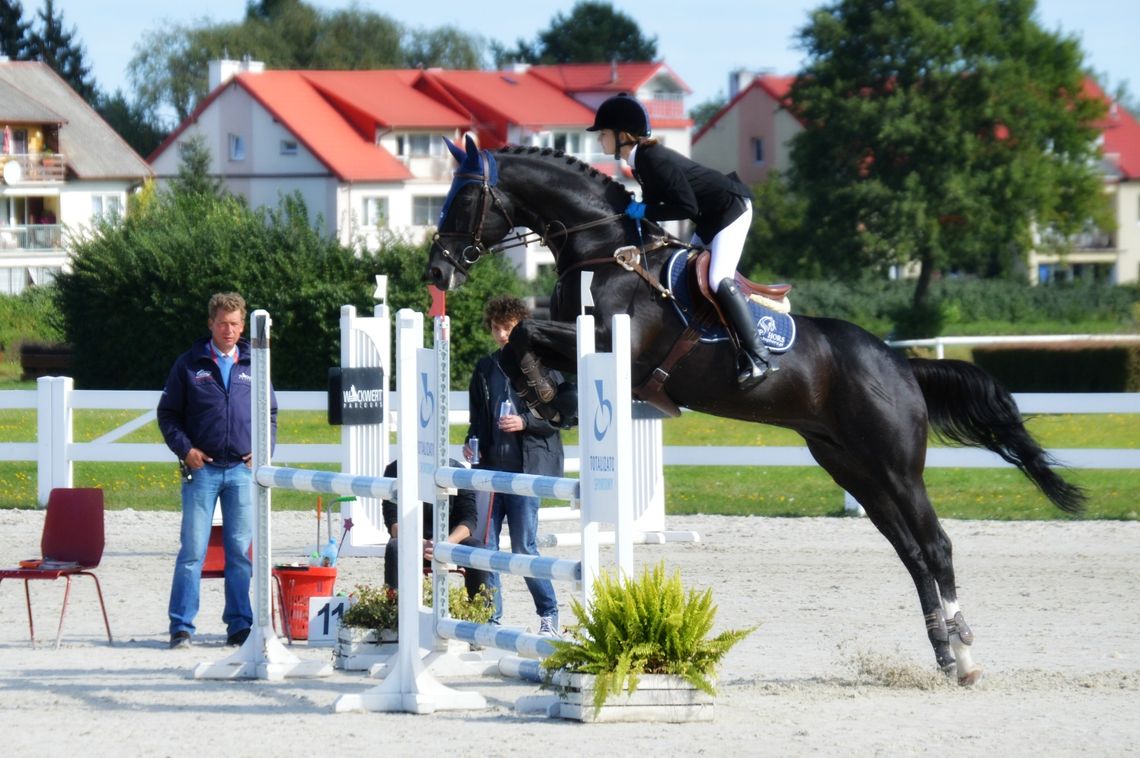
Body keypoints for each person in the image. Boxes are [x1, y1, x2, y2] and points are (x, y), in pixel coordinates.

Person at [587, 93, 779, 386]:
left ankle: (760, 356)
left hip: (731, 209)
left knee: (717, 279)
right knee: (687, 273)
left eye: (603, 134)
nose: (600, 140)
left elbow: (685, 207)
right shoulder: (642, 162)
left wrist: (645, 209)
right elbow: (661, 209)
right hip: (710, 217)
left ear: (623, 135)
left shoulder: (654, 160)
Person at [158, 292, 276, 650]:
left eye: (236, 323)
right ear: (211, 323)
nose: (229, 329)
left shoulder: (255, 364)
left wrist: (264, 450)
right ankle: (181, 626)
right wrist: (186, 450)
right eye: (223, 323)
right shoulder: (189, 364)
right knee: (192, 550)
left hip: (242, 469)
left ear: (243, 326)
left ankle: (239, 626)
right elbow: (168, 414)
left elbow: (270, 415)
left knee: (240, 552)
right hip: (203, 470)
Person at [463, 296, 568, 636]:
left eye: (507, 328)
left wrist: (525, 422)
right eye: (496, 328)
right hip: (492, 470)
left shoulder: (543, 365)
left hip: (526, 471)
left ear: (520, 327)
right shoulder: (485, 367)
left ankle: (548, 613)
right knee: (487, 547)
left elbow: (562, 417)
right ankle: (491, 617)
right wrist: (470, 440)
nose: (501, 335)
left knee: (524, 547)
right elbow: (478, 416)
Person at [381, 459, 490, 601]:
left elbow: (469, 521)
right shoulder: (395, 469)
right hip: (412, 540)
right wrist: (420, 543)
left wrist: (445, 543)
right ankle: (393, 610)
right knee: (394, 547)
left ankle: (480, 612)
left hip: (451, 541)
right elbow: (393, 521)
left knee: (477, 550)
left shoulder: (457, 471)